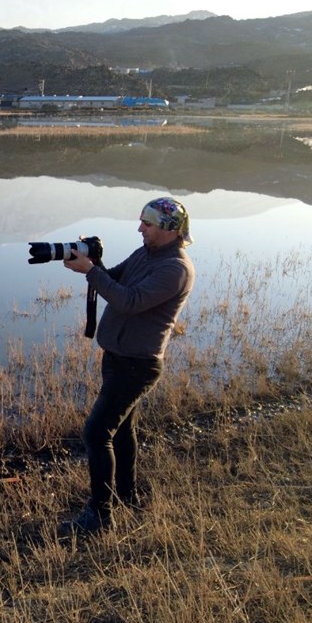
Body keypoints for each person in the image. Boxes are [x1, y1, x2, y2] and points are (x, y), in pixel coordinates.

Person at [58, 196, 195, 537]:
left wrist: (92, 272)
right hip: (119, 358)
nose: (140, 229)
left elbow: (129, 301)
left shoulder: (174, 268)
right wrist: (87, 260)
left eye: (147, 224)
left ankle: (99, 515)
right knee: (121, 430)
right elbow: (114, 279)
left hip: (138, 365)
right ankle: (126, 495)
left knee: (96, 432)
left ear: (170, 230)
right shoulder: (145, 254)